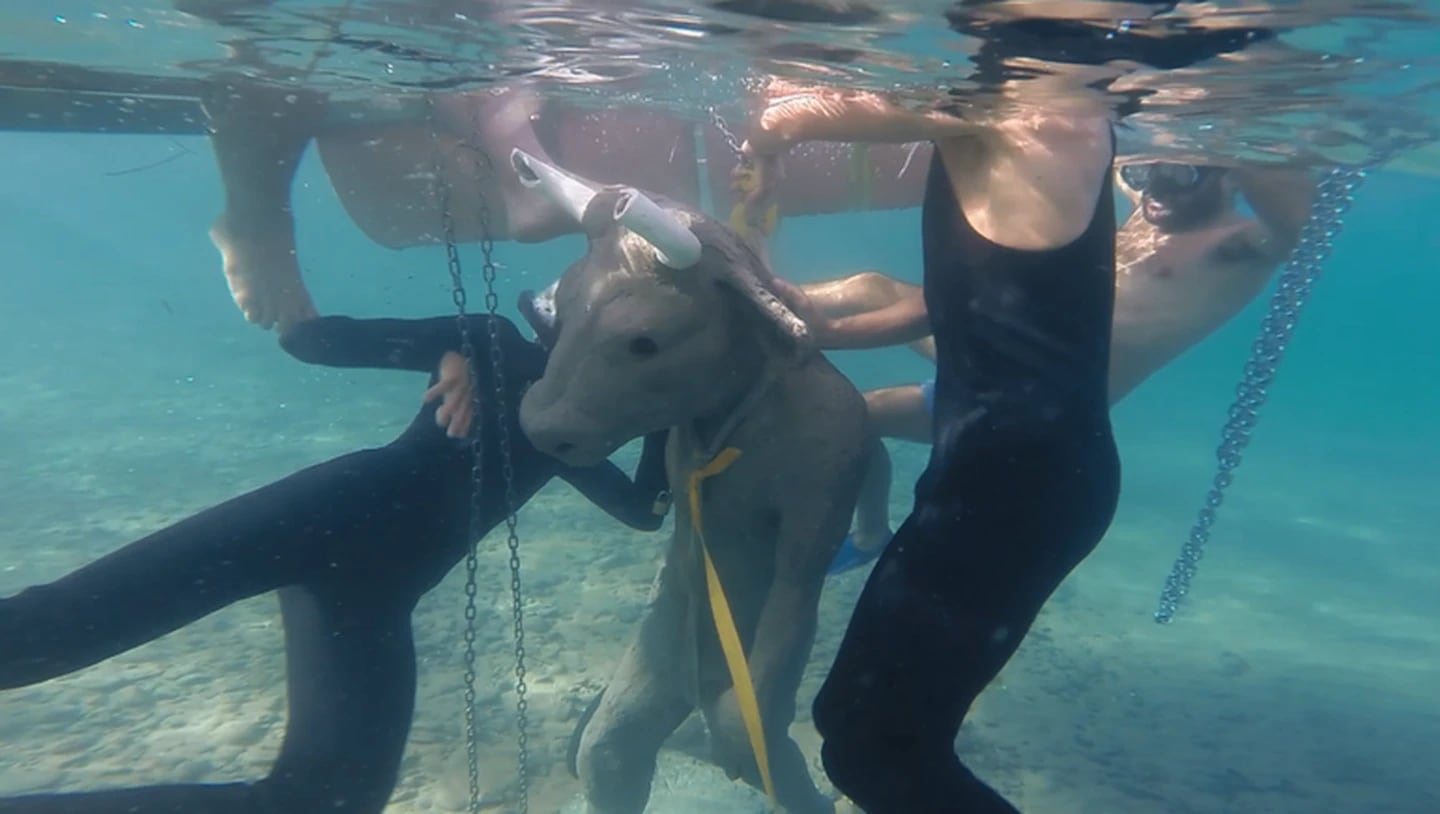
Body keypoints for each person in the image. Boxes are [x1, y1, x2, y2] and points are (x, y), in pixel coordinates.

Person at [736, 5, 1283, 810]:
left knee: (874, 746)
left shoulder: (1040, 115)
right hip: (1000, 468)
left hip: (1019, 483)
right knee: (854, 725)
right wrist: (811, 322)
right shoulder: (1010, 126)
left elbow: (799, 111)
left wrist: (772, 127)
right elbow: (965, 299)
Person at [0, 312, 670, 814]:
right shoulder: (492, 336)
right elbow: (313, 340)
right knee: (47, 632)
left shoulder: (574, 427)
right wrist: (447, 348)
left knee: (329, 800)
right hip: (314, 519)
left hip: (373, 592)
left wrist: (671, 416)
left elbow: (645, 511)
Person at [798, 160, 1316, 574]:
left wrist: (1239, 151)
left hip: (1043, 398)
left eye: (1178, 176)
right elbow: (1115, 162)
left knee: (864, 403)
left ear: (1224, 175)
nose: (1154, 190)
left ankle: (867, 532)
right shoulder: (1158, 202)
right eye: (1144, 175)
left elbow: (1294, 230)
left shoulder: (1238, 244)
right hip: (1002, 357)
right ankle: (764, 301)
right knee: (867, 312)